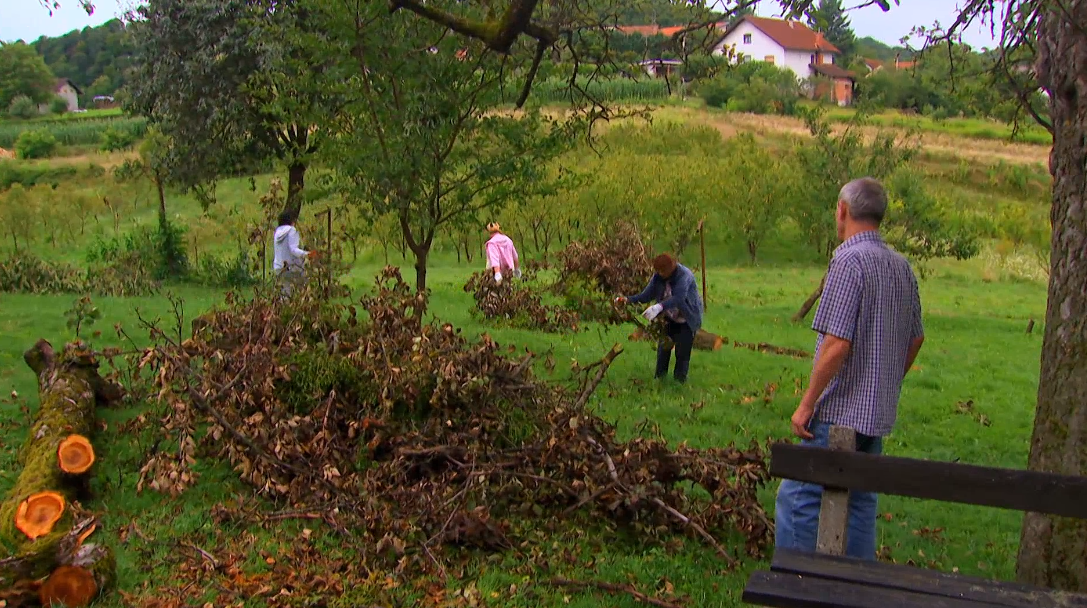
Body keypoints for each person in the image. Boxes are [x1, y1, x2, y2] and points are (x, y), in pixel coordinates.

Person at [775, 176, 925, 561]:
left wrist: (807, 404)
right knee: (859, 500)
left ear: (843, 211)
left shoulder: (848, 260)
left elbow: (836, 342)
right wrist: (884, 382)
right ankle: (856, 589)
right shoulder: (901, 266)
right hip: (875, 415)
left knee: (799, 497)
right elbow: (915, 339)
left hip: (837, 415)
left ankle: (796, 588)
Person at [616, 253, 703, 383]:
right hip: (668, 318)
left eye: (663, 271)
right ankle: (660, 379)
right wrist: (627, 300)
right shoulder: (658, 277)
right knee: (663, 349)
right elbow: (646, 295)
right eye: (658, 271)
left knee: (682, 353)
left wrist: (659, 307)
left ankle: (679, 382)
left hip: (687, 319)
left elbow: (679, 298)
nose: (660, 274)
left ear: (672, 266)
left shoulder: (684, 275)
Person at [272, 208, 317, 296]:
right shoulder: (291, 230)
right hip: (291, 267)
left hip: (278, 267)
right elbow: (293, 249)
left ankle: (284, 308)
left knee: (285, 293)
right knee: (304, 286)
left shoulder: (277, 232)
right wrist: (307, 254)